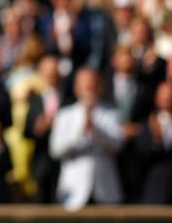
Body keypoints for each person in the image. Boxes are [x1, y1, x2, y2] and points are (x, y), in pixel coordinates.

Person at [48, 68, 123, 210]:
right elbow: (55, 150)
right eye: (85, 85)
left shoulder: (111, 114)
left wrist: (95, 128)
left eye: (92, 84)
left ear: (100, 87)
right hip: (73, 193)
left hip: (105, 192)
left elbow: (117, 145)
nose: (89, 88)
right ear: (76, 88)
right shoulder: (65, 115)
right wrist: (80, 133)